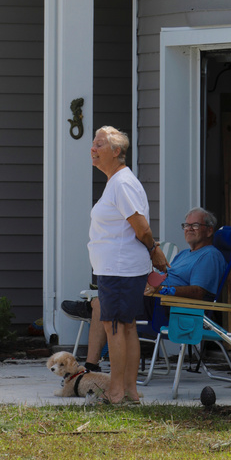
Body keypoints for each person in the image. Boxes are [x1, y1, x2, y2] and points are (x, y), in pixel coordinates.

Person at [63, 206, 225, 371]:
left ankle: (89, 310)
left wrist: (162, 290)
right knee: (106, 299)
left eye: (195, 225)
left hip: (169, 308)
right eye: (186, 225)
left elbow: (198, 292)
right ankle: (91, 364)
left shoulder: (209, 255)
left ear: (209, 230)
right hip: (154, 299)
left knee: (102, 304)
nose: (189, 229)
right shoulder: (183, 254)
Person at [85, 126, 168, 404]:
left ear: (116, 151)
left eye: (99, 144)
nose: (93, 149)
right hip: (118, 269)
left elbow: (141, 227)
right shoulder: (117, 182)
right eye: (93, 143)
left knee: (116, 327)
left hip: (119, 269)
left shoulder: (122, 183)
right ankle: (130, 391)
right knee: (126, 326)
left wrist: (154, 250)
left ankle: (117, 391)